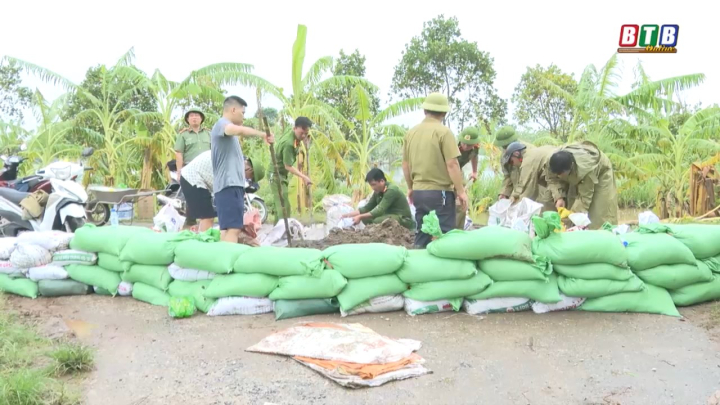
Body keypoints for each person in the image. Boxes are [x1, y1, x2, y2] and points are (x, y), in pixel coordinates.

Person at [402, 92, 467, 248]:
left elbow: (405, 164)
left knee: (422, 233)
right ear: (444, 113)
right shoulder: (444, 132)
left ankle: (417, 264)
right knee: (444, 236)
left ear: (425, 111)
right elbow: (452, 164)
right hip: (440, 194)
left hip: (419, 193)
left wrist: (411, 187)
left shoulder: (411, 133)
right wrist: (461, 191)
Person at [211, 96, 274, 243]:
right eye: (243, 112)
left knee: (226, 229)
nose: (243, 116)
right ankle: (228, 264)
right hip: (229, 185)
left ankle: (222, 263)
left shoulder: (228, 136)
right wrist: (262, 134)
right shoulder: (222, 125)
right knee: (233, 229)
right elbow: (236, 130)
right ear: (233, 109)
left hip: (228, 186)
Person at [179, 151, 266, 233]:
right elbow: (224, 193)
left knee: (205, 217)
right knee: (207, 217)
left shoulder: (236, 161)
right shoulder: (233, 167)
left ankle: (200, 239)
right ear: (250, 170)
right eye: (250, 178)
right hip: (192, 178)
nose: (247, 179)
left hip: (195, 178)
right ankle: (204, 246)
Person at [546, 141, 618, 229]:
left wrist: (571, 216)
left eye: (561, 173)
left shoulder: (587, 170)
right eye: (557, 173)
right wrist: (559, 197)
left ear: (571, 166)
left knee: (598, 215)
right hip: (576, 173)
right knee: (571, 203)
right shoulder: (551, 162)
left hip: (600, 173)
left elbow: (584, 198)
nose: (559, 176)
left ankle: (601, 238)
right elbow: (552, 179)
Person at [340, 168, 415, 230]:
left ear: (382, 181)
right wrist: (348, 215)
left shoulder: (391, 190)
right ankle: (376, 230)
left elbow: (379, 210)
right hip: (389, 216)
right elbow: (367, 207)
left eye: (374, 184)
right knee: (365, 218)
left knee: (377, 221)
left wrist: (359, 216)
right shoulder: (378, 191)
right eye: (371, 185)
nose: (372, 187)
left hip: (403, 218)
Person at [271, 116, 313, 221]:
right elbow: (288, 166)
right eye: (301, 133)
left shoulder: (293, 136)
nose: (303, 136)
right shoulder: (289, 144)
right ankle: (284, 232)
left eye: (306, 133)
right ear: (295, 128)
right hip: (275, 175)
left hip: (282, 174)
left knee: (280, 206)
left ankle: (277, 233)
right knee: (284, 206)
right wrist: (304, 177)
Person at [501, 142, 557, 212]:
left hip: (558, 172)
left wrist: (513, 209)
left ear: (516, 154)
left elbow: (527, 192)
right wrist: (513, 196)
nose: (513, 165)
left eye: (511, 161)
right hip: (556, 174)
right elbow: (522, 185)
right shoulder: (529, 154)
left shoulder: (527, 162)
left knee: (547, 203)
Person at [454, 126, 481, 229]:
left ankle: (458, 230)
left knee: (462, 203)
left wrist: (474, 171)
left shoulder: (476, 147)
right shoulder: (453, 147)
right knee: (456, 200)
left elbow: (474, 156)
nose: (465, 146)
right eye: (463, 143)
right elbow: (450, 167)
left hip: (458, 170)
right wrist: (459, 189)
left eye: (469, 145)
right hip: (447, 171)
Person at [174, 108, 211, 182]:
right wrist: (179, 172)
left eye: (197, 115)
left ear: (201, 119)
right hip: (190, 169)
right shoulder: (183, 135)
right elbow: (179, 154)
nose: (194, 117)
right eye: (191, 116)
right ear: (188, 119)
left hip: (207, 168)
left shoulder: (208, 133)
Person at [493, 125, 523, 200]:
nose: (505, 148)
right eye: (504, 146)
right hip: (516, 191)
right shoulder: (504, 156)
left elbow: (529, 179)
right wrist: (504, 193)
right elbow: (508, 176)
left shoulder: (526, 152)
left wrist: (515, 195)